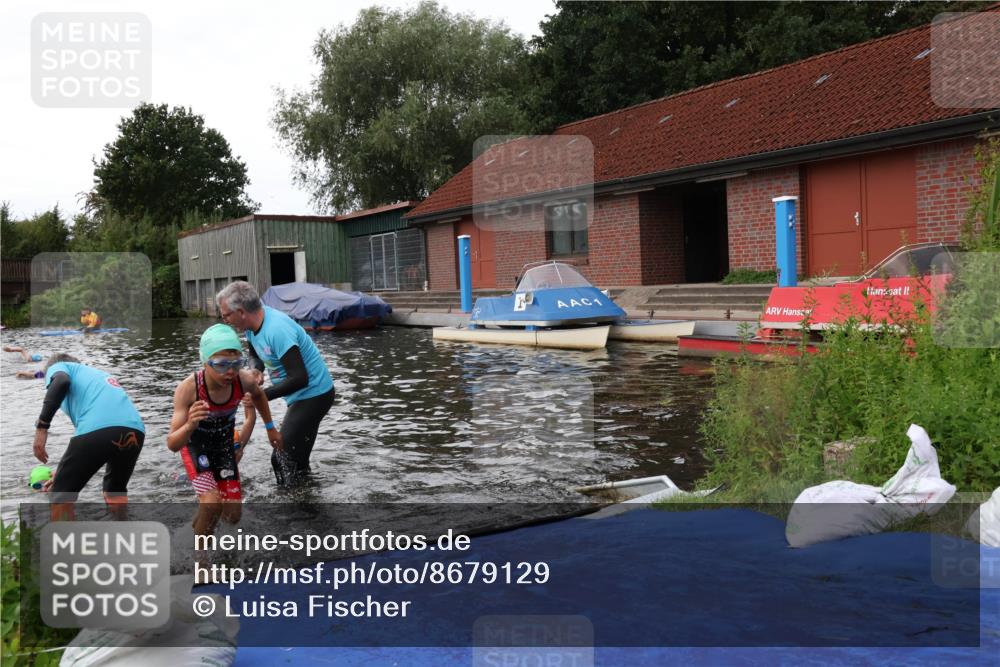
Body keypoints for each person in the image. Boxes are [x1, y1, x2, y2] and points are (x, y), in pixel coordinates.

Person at [166, 324, 283, 539]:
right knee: (212, 504)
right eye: (220, 365)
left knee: (232, 515)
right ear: (205, 362)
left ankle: (200, 524)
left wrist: (270, 428)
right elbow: (173, 444)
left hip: (223, 448)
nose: (229, 372)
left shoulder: (243, 379)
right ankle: (202, 561)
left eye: (236, 363)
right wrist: (191, 424)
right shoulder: (189, 389)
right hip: (196, 448)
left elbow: (258, 396)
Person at [216, 281, 335, 486]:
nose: (225, 320)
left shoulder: (277, 329)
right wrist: (256, 370)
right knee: (296, 460)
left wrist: (260, 395)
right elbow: (255, 354)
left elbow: (299, 377)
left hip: (314, 395)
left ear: (241, 312)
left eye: (226, 315)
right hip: (301, 396)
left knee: (280, 458)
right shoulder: (251, 326)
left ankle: (290, 507)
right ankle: (307, 503)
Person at [33, 354, 145, 521]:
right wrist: (64, 471)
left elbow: (61, 381)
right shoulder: (97, 376)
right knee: (115, 491)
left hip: (100, 429)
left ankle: (63, 545)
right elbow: (90, 441)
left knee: (60, 494)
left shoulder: (60, 367)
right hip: (135, 429)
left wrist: (42, 428)